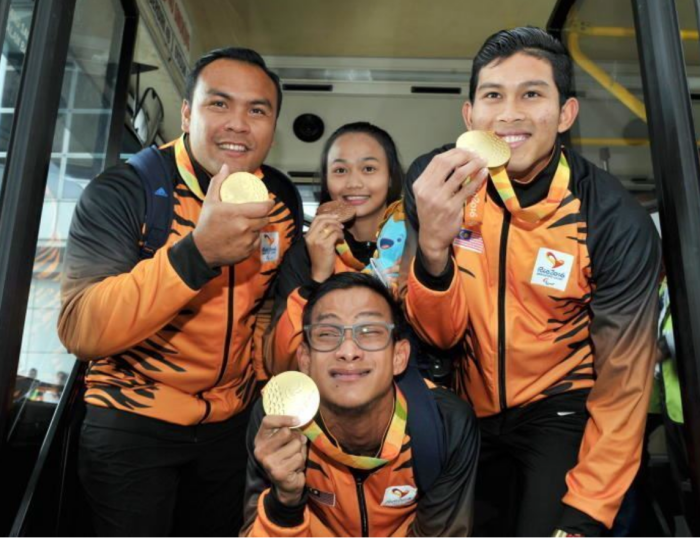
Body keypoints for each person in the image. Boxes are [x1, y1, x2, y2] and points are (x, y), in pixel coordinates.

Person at [403, 27, 661, 536]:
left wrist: (587, 514)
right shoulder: (437, 185)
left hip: (561, 406)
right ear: (469, 115)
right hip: (465, 402)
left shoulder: (610, 218)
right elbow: (439, 336)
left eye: (531, 95)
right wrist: (432, 247)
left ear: (565, 114)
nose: (509, 114)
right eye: (493, 96)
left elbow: (624, 382)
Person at [58, 47, 302, 536]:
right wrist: (197, 253)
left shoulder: (279, 200)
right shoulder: (126, 190)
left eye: (257, 110)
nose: (239, 124)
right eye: (219, 103)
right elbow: (80, 327)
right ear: (187, 113)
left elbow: (265, 311)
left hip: (230, 426)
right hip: (132, 419)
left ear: (273, 126)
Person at [241, 272, 479, 537]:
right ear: (305, 359)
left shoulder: (444, 423)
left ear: (399, 356)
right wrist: (284, 503)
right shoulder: (279, 419)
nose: (348, 351)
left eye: (369, 332)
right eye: (328, 333)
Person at [265, 122, 405, 374]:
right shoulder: (305, 252)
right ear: (326, 180)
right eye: (340, 170)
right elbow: (282, 364)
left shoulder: (414, 245)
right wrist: (318, 277)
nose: (353, 183)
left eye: (369, 168)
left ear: (391, 177)